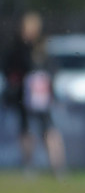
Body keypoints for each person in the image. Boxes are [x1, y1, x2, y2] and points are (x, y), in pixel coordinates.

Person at [2, 11, 66, 176]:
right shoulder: (18, 47)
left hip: (41, 95)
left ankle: (58, 167)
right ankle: (29, 167)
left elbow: (51, 69)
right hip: (23, 95)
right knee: (26, 130)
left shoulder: (41, 47)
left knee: (48, 129)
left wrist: (45, 83)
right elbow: (9, 69)